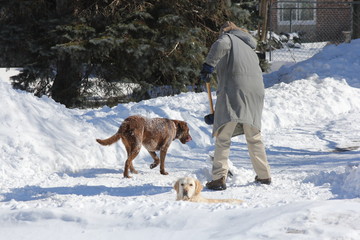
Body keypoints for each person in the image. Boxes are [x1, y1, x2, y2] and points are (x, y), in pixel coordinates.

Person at [200, 21, 271, 190]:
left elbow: (221, 44)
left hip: (235, 91)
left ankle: (218, 178)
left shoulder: (228, 38)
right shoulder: (249, 48)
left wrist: (208, 66)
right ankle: (264, 175)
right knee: (253, 136)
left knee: (223, 136)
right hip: (256, 93)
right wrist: (218, 114)